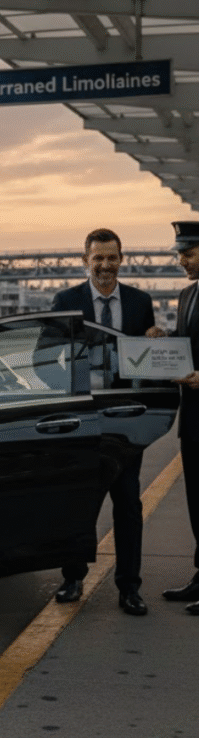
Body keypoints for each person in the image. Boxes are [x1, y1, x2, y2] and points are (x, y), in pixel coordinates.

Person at [51, 227, 159, 615]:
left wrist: (155, 341)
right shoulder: (66, 301)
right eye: (98, 258)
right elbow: (46, 355)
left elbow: (146, 362)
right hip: (83, 418)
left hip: (126, 421)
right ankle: (72, 577)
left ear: (121, 259)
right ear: (86, 260)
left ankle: (129, 587)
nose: (105, 265)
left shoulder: (140, 302)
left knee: (128, 504)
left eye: (112, 257)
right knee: (80, 502)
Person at [161, 221, 199, 613]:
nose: (181, 261)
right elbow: (184, 347)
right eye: (179, 254)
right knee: (197, 502)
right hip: (193, 419)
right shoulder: (187, 295)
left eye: (188, 253)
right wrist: (160, 342)